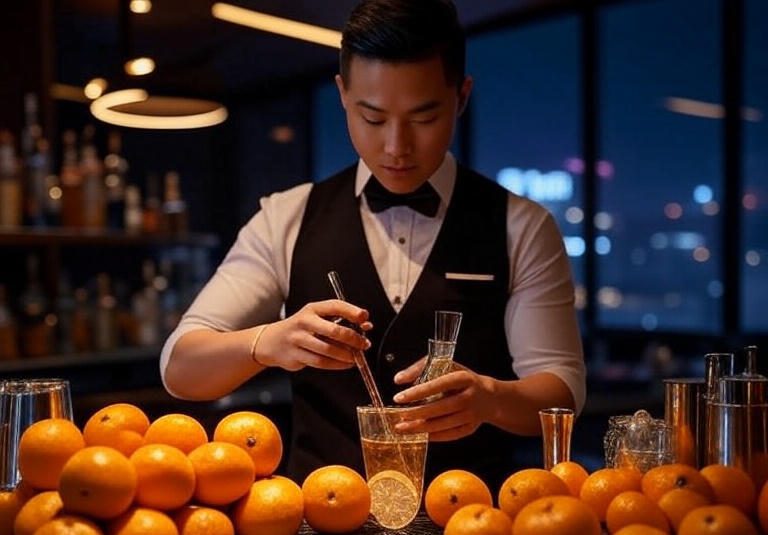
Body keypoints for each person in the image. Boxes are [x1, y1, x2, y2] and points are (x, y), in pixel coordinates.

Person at [161, 0, 585, 491]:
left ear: (462, 97)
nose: (396, 147)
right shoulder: (285, 218)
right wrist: (268, 343)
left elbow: (562, 393)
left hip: (472, 514)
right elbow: (180, 368)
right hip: (320, 513)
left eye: (424, 118)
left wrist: (490, 398)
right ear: (343, 95)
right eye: (373, 118)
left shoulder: (521, 226)